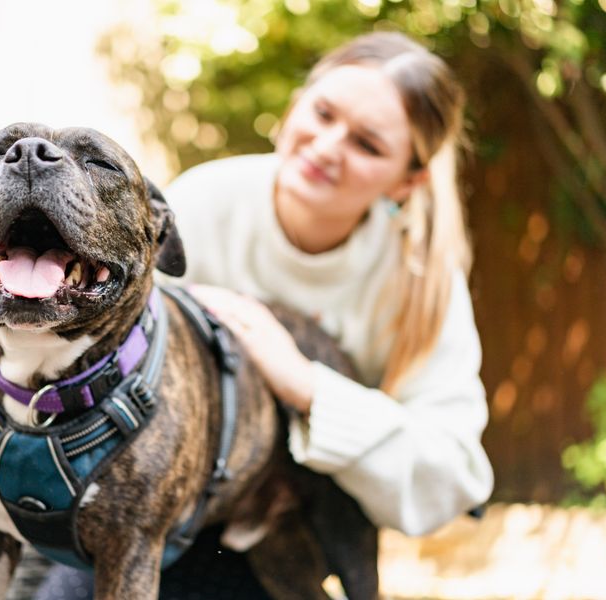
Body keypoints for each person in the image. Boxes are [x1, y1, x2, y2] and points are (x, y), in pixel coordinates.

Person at [37, 30, 493, 599]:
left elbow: (454, 476)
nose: (327, 146)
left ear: (407, 181)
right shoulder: (206, 201)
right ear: (295, 104)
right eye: (322, 112)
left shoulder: (419, 278)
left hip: (304, 525)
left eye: (367, 145)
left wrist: (307, 387)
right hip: (156, 507)